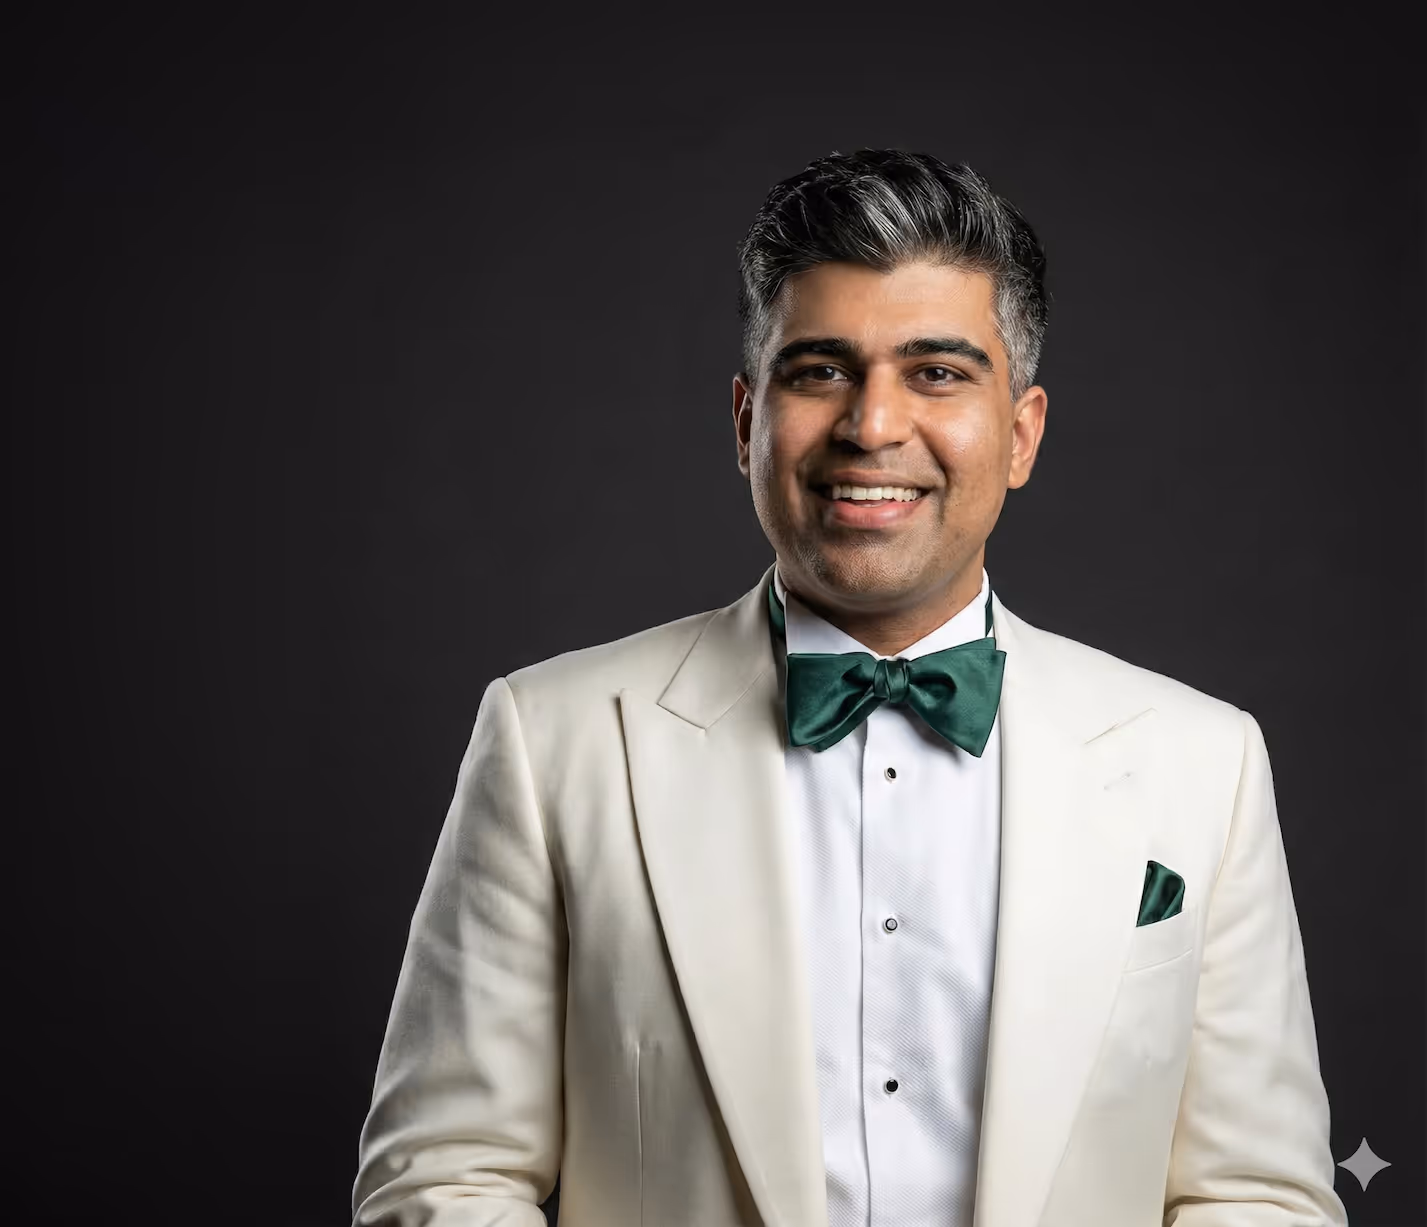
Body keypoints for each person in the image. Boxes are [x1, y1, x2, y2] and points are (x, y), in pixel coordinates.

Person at [351, 148, 1347, 1227]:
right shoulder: (552, 743)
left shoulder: (1203, 763)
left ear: (1019, 434)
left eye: (936, 372)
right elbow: (442, 1181)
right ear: (745, 423)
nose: (871, 427)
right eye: (819, 370)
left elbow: (1254, 1197)